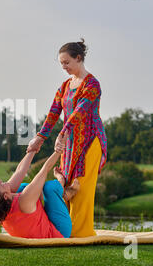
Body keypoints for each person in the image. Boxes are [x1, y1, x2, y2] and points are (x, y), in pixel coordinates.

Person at [27, 38, 108, 238]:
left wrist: (62, 134)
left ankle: (81, 235)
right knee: (67, 186)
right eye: (61, 63)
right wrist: (40, 137)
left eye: (66, 62)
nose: (63, 67)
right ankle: (68, 232)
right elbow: (54, 112)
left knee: (82, 189)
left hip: (90, 142)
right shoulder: (65, 86)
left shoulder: (92, 84)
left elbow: (79, 113)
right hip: (70, 143)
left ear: (78, 58)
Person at [0, 132, 72, 239]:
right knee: (50, 188)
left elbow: (19, 171)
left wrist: (32, 149)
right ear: (5, 196)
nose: (0, 181)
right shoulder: (24, 201)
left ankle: (58, 197)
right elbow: (45, 169)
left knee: (21, 187)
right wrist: (59, 149)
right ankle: (62, 185)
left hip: (37, 220)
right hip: (59, 231)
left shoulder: (0, 210)